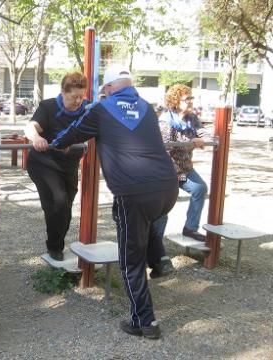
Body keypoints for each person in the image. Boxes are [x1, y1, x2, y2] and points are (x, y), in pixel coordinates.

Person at [53, 65, 179, 339]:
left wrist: (55, 143)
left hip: (134, 191)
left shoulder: (101, 109)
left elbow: (72, 133)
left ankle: (145, 322)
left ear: (108, 88)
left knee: (130, 259)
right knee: (132, 221)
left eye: (104, 89)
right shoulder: (147, 107)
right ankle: (159, 258)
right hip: (168, 188)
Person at [24, 72, 88, 261]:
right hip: (44, 164)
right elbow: (31, 127)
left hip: (68, 165)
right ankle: (54, 247)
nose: (78, 101)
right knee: (58, 201)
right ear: (63, 92)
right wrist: (37, 138)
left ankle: (57, 242)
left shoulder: (86, 109)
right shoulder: (49, 106)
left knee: (65, 207)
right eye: (74, 96)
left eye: (81, 96)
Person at [154, 84, 208, 242]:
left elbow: (203, 132)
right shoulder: (165, 120)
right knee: (164, 206)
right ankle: (154, 243)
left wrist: (220, 132)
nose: (191, 101)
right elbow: (168, 144)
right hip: (167, 170)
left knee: (199, 188)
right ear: (176, 101)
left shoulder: (192, 118)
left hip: (184, 169)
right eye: (187, 99)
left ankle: (190, 228)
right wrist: (192, 142)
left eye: (191, 98)